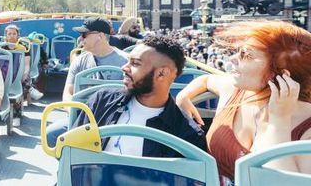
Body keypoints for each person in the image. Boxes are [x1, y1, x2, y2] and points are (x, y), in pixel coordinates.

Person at [176, 21, 311, 182]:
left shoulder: (307, 128)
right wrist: (183, 96)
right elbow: (206, 79)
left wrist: (279, 121)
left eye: (246, 55)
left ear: (282, 75)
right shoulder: (235, 90)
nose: (232, 59)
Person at [72, 35, 207, 157]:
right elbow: (70, 151)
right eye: (128, 61)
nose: (124, 68)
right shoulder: (102, 100)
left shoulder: (188, 135)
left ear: (162, 74)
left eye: (135, 63)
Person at [63, 17, 128, 101]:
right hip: (84, 112)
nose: (80, 38)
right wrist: (73, 111)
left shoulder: (126, 61)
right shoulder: (79, 61)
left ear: (100, 36)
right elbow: (67, 94)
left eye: (84, 34)